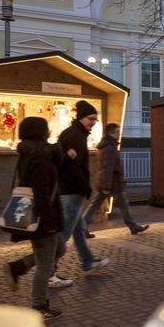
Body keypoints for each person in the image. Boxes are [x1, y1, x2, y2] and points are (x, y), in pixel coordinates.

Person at [4, 117, 65, 319]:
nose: (49, 132)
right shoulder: (39, 158)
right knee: (45, 263)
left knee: (59, 249)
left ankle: (18, 266)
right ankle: (39, 305)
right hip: (43, 217)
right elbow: (40, 193)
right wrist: (48, 222)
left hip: (46, 214)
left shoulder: (31, 154)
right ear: (40, 133)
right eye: (46, 129)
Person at [56, 100, 110, 278]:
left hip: (71, 189)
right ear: (81, 118)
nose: (93, 122)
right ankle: (49, 270)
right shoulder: (75, 136)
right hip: (72, 190)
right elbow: (74, 166)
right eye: (90, 118)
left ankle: (88, 261)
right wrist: (84, 187)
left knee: (78, 230)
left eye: (95, 119)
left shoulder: (75, 134)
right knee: (65, 233)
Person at [83, 123, 150, 236]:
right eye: (117, 132)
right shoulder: (109, 147)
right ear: (111, 133)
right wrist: (106, 187)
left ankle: (133, 226)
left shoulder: (108, 145)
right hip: (112, 182)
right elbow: (107, 168)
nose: (119, 134)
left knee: (109, 204)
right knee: (100, 205)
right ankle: (81, 227)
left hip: (112, 182)